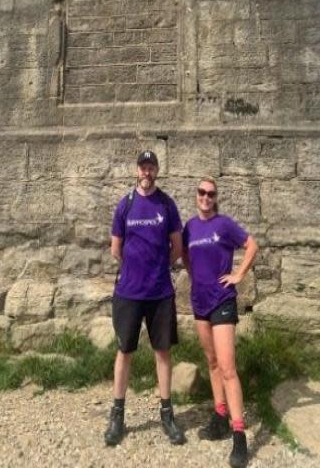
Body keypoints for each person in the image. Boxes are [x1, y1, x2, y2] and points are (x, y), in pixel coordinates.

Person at [104, 149, 186, 447]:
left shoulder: (167, 204)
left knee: (162, 352)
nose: (147, 172)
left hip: (160, 292)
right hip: (129, 292)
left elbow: (177, 246)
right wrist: (133, 270)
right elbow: (116, 249)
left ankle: (167, 414)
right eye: (143, 167)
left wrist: (162, 266)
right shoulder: (125, 205)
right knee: (124, 351)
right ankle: (117, 415)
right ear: (137, 170)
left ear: (157, 170)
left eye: (152, 167)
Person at [182, 176, 258, 468]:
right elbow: (187, 256)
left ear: (216, 198)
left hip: (222, 301)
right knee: (212, 362)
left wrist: (238, 274)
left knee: (227, 368)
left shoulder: (224, 224)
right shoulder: (190, 227)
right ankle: (220, 416)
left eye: (211, 194)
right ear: (196, 195)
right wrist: (194, 276)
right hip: (199, 302)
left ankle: (239, 436)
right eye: (201, 192)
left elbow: (252, 245)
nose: (205, 197)